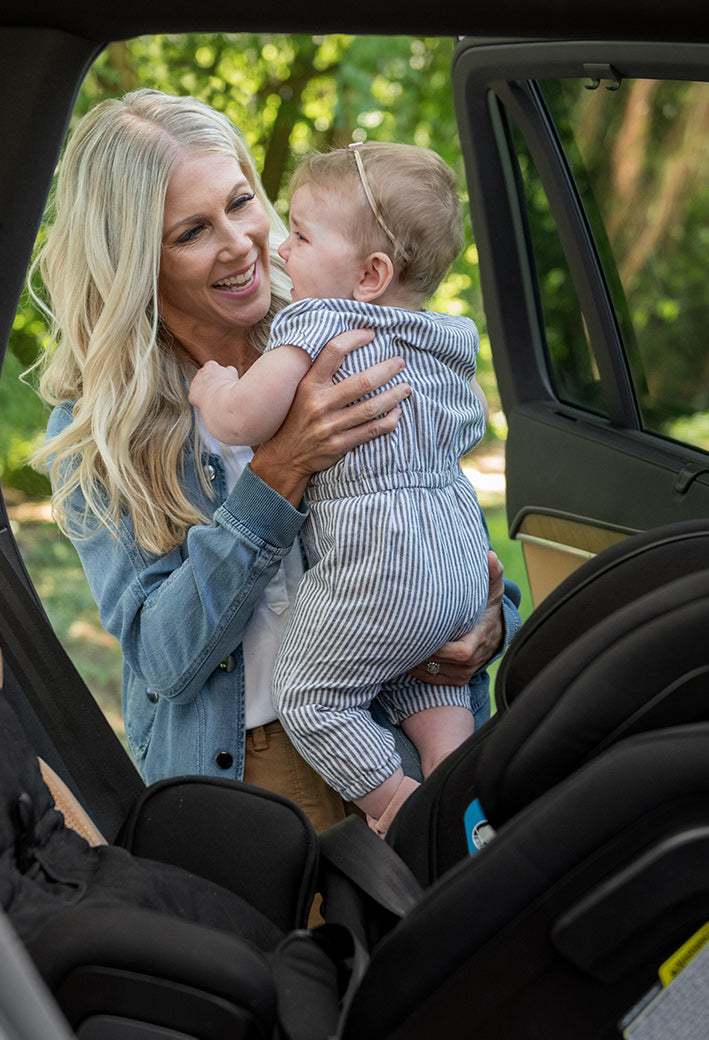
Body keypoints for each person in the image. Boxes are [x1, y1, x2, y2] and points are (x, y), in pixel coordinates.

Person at [30, 89, 521, 841]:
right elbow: (162, 660)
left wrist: (491, 618)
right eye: (194, 230)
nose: (241, 243)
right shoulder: (102, 429)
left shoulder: (347, 327)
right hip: (253, 778)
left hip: (403, 727)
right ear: (136, 260)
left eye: (242, 202)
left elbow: (428, 512)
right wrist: (281, 469)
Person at [189, 142, 490, 835]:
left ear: (370, 273)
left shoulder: (317, 322)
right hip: (454, 554)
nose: (280, 249)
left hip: (379, 567)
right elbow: (464, 428)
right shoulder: (443, 338)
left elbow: (245, 419)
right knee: (421, 672)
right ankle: (459, 786)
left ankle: (399, 809)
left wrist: (215, 393)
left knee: (313, 694)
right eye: (194, 230)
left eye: (298, 233)